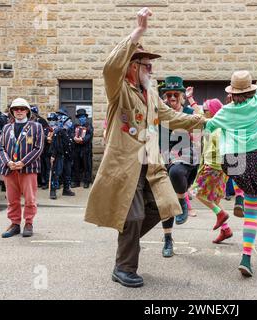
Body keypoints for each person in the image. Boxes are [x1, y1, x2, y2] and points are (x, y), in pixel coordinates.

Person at [84, 7, 206, 288]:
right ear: (132, 67)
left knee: (165, 207)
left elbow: (171, 116)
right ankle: (123, 266)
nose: (152, 70)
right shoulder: (119, 90)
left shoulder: (150, 93)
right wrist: (137, 33)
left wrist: (203, 122)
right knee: (134, 215)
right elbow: (110, 67)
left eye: (151, 65)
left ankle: (127, 239)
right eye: (146, 65)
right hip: (125, 166)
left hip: (150, 162)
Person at [205, 44, 257, 277]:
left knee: (237, 176)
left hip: (232, 158)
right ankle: (246, 258)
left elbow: (208, 126)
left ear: (232, 93)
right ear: (250, 89)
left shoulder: (226, 112)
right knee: (252, 213)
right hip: (255, 158)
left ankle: (237, 194)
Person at [158, 75, 201, 257]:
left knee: (176, 171)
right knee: (166, 202)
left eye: (176, 94)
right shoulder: (160, 114)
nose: (172, 98)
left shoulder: (190, 113)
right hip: (164, 160)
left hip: (186, 162)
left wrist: (193, 138)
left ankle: (182, 201)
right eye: (169, 95)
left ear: (181, 96)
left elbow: (199, 133)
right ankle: (168, 239)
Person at [0, 98, 44, 238]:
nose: (19, 111)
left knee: (30, 198)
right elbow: (0, 147)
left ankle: (28, 223)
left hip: (28, 169)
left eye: (22, 109)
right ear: (12, 111)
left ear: (27, 111)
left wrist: (23, 162)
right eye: (16, 109)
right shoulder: (6, 128)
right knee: (12, 199)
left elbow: (38, 148)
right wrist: (8, 162)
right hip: (9, 169)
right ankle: (15, 223)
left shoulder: (36, 127)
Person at [191, 98, 233, 243]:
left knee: (196, 193)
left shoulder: (217, 128)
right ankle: (225, 230)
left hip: (213, 166)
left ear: (213, 112)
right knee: (215, 200)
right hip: (221, 168)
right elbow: (200, 113)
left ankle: (220, 214)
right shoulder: (215, 123)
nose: (203, 112)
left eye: (206, 110)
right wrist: (191, 99)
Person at [49, 111, 76, 199]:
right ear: (64, 122)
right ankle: (53, 191)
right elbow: (54, 145)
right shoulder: (58, 131)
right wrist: (53, 155)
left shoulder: (69, 131)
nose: (70, 123)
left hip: (68, 156)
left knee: (67, 173)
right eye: (68, 121)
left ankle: (66, 189)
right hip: (59, 156)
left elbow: (71, 144)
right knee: (56, 173)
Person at [71, 109, 94, 189]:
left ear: (85, 117)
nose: (82, 118)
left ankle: (86, 181)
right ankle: (76, 181)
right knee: (76, 165)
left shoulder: (89, 126)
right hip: (76, 149)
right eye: (80, 117)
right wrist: (74, 138)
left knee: (86, 165)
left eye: (83, 117)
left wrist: (83, 140)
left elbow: (90, 135)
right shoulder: (75, 126)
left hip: (86, 149)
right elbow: (71, 133)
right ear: (78, 118)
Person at [30, 105, 50, 189]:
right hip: (32, 148)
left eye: (32, 113)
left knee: (44, 165)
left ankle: (44, 182)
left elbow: (45, 134)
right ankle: (37, 181)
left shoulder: (42, 121)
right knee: (36, 166)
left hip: (43, 148)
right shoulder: (28, 121)